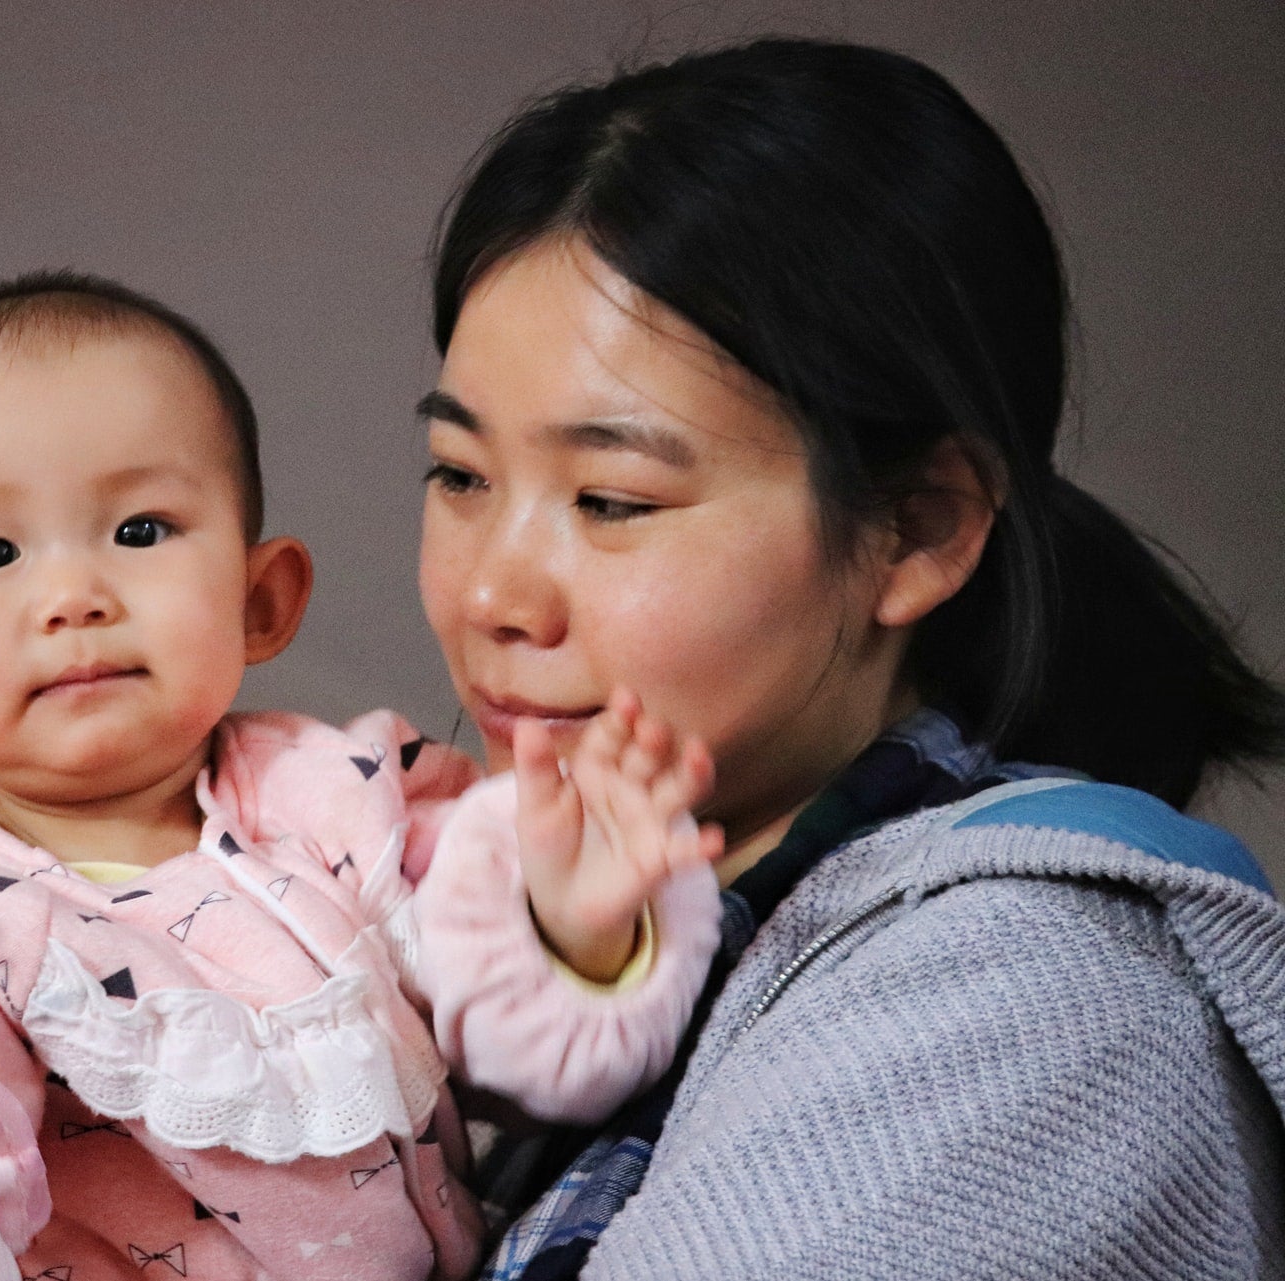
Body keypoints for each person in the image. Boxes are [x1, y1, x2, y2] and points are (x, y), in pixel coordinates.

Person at [0, 271, 729, 1280]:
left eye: (140, 529)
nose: (73, 594)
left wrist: (574, 930)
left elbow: (530, 1078)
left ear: (262, 600)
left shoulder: (356, 793)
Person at [413, 37, 1285, 1280]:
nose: (491, 593)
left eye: (611, 499)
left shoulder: (1027, 1010)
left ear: (917, 530)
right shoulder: (628, 960)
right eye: (458, 476)